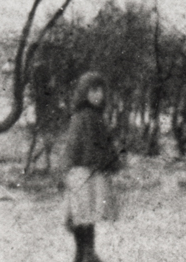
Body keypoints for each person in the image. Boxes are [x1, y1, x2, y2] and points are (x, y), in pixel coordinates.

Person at [61, 72, 123, 262]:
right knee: (83, 216)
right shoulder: (86, 117)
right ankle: (86, 254)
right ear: (84, 93)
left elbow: (102, 144)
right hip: (85, 173)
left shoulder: (91, 116)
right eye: (93, 91)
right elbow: (89, 147)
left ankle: (84, 254)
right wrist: (109, 161)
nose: (98, 95)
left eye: (101, 91)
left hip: (84, 172)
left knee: (84, 217)